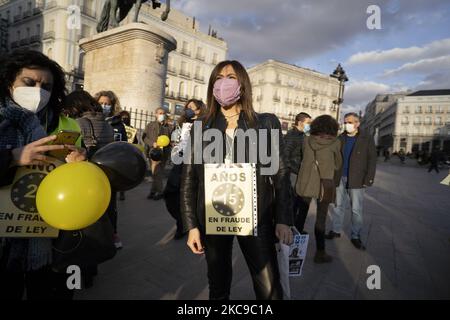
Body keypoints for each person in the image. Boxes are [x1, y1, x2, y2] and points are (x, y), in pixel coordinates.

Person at [180, 60, 293, 300]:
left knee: (269, 287)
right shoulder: (201, 126)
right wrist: (191, 226)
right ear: (212, 85)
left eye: (231, 77)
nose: (224, 83)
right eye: (219, 77)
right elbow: (189, 179)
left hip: (256, 216)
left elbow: (281, 173)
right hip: (213, 216)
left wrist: (283, 219)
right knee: (218, 286)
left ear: (242, 83)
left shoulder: (265, 122)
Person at [0, 50, 86, 300]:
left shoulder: (65, 125)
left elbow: (77, 185)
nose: (38, 91)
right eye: (29, 83)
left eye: (45, 86)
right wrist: (13, 157)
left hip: (47, 236)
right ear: (9, 83)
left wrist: (79, 165)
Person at [326, 112, 377, 250]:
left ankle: (355, 236)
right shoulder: (340, 137)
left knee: (356, 209)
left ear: (357, 123)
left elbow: (372, 159)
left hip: (357, 178)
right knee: (338, 206)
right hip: (339, 177)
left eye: (350, 122)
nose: (347, 124)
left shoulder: (366, 138)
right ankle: (336, 231)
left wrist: (369, 179)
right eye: (345, 122)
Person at [296, 115, 342, 263]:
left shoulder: (306, 140)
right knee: (321, 219)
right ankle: (320, 253)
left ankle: (292, 249)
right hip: (325, 184)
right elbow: (337, 164)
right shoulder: (336, 143)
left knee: (300, 215)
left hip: (306, 181)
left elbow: (303, 156)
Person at [164, 99, 205, 240]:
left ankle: (190, 225)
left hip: (196, 166)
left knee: (191, 197)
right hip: (180, 164)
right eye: (188, 107)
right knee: (170, 194)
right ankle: (182, 220)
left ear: (201, 110)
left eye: (194, 108)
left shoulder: (206, 124)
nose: (190, 110)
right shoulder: (182, 125)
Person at [284, 112, 312, 234]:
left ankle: (295, 228)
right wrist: (297, 168)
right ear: (300, 123)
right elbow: (285, 156)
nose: (310, 125)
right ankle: (289, 228)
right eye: (308, 123)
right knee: (292, 203)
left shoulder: (303, 135)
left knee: (297, 203)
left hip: (299, 172)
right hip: (293, 173)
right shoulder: (292, 135)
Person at [143, 107, 172, 200]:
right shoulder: (150, 125)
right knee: (156, 173)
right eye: (159, 113)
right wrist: (152, 143)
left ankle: (153, 191)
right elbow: (144, 138)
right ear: (155, 114)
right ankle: (160, 191)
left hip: (164, 153)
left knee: (157, 173)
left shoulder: (168, 126)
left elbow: (171, 139)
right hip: (153, 153)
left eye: (163, 113)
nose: (161, 115)